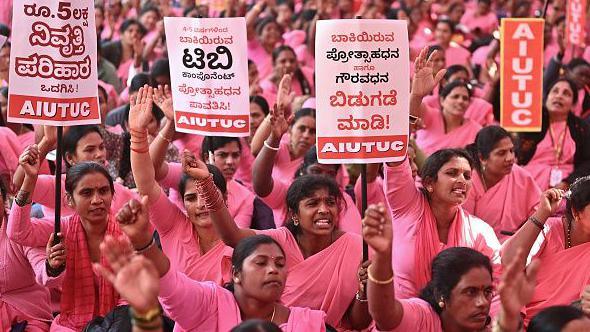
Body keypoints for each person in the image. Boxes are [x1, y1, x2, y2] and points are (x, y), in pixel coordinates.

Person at [187, 152, 370, 329]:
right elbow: (231, 236)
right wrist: (206, 185)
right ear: (294, 215)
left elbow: (359, 323)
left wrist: (365, 290)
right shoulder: (277, 242)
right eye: (312, 204)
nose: (324, 210)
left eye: (330, 203)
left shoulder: (356, 247)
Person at [95, 199, 329, 331]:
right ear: (235, 273)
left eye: (280, 263)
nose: (273, 269)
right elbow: (173, 286)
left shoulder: (308, 324)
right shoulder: (209, 303)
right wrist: (143, 242)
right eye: (260, 262)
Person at [362, 202, 539, 332]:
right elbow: (384, 314)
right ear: (442, 296)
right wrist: (383, 256)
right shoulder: (424, 317)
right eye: (470, 292)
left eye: (487, 292)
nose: (483, 303)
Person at [129, 86, 234, 286]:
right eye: (191, 198)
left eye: (206, 194)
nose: (201, 204)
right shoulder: (174, 226)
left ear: (225, 198)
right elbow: (145, 182)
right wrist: (138, 134)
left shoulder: (238, 240)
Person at [8, 160, 125, 331]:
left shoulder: (127, 229)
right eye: (86, 193)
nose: (97, 200)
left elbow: (132, 296)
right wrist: (30, 180)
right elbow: (18, 232)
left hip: (121, 321)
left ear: (112, 194)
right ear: (70, 200)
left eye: (103, 191)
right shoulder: (63, 228)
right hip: (71, 324)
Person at [384, 147, 501, 300]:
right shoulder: (407, 207)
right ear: (429, 183)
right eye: (452, 173)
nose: (462, 181)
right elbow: (396, 160)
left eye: (467, 176)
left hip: (458, 320)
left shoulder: (480, 231)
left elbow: (497, 279)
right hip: (403, 316)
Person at [501, 177, 590, 325]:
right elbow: (509, 260)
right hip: (526, 320)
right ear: (576, 212)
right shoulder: (548, 228)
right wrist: (542, 213)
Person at [12, 126, 136, 220]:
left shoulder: (116, 188)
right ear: (70, 158)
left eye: (102, 147)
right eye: (90, 149)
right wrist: (47, 141)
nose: (100, 154)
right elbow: (20, 183)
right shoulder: (59, 186)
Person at [0, 180, 62, 331]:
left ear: (3, 197)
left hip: (28, 317)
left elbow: (42, 269)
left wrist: (51, 266)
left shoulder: (21, 229)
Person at [463, 126, 541, 241]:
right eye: (501, 153)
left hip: (518, 243)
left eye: (511, 151)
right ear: (482, 158)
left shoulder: (520, 175)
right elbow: (465, 228)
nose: (510, 158)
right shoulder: (470, 180)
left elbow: (538, 211)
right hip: (478, 245)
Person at [518, 78, 590, 191]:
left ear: (573, 104)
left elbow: (587, 162)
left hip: (567, 189)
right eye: (555, 91)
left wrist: (568, 182)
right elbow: (517, 155)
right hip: (527, 184)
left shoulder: (581, 128)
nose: (559, 96)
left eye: (566, 93)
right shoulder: (530, 121)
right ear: (546, 98)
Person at [411, 47, 482, 156]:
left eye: (465, 98)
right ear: (442, 100)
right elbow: (411, 109)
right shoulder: (431, 115)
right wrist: (416, 94)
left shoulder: (475, 129)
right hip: (422, 170)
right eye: (455, 96)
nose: (460, 101)